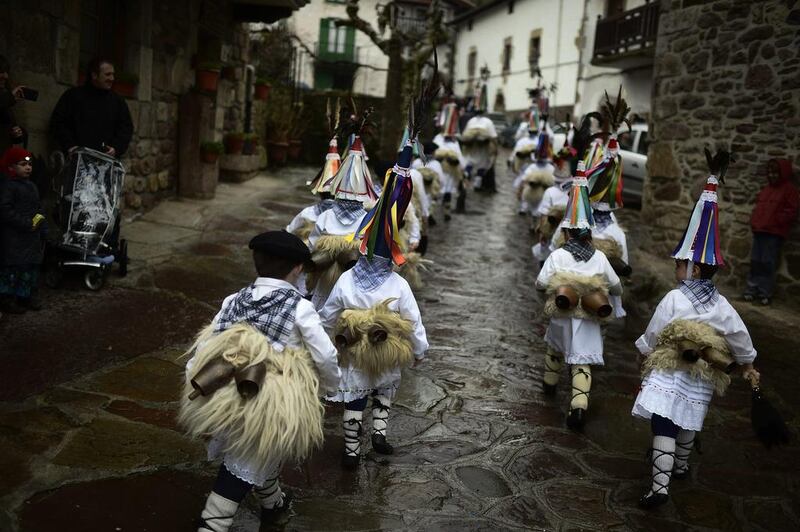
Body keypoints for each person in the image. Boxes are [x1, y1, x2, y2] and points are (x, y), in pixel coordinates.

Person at [181, 230, 341, 532]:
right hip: (269, 403)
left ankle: (275, 505)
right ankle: (212, 524)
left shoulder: (233, 300)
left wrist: (196, 379)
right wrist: (330, 386)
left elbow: (207, 345)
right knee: (246, 460)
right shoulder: (300, 308)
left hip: (225, 396)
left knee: (259, 453)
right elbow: (324, 355)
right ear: (296, 269)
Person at [632, 150, 759, 509]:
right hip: (701, 377)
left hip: (670, 372)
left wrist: (644, 350)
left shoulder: (674, 299)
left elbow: (656, 333)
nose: (676, 264)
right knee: (688, 418)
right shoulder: (723, 306)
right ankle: (682, 466)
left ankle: (659, 488)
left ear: (696, 270)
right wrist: (748, 362)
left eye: (682, 261)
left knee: (664, 425)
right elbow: (740, 338)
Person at [319, 139, 428, 469]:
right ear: (391, 258)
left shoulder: (347, 279)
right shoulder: (398, 284)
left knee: (354, 397)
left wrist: (323, 338)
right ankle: (379, 432)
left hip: (353, 353)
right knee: (384, 388)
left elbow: (328, 314)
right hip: (385, 352)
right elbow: (413, 319)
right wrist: (420, 349)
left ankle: (352, 449)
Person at [535, 162, 622, 431]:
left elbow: (540, 283)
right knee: (582, 360)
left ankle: (549, 384)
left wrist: (548, 296)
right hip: (589, 321)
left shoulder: (558, 255)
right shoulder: (599, 258)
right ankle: (578, 408)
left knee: (556, 348)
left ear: (568, 231)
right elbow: (617, 285)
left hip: (562, 317)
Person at [307, 134, 376, 310]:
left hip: (324, 277)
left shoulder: (326, 216)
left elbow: (312, 245)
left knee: (321, 308)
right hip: (352, 280)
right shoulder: (367, 220)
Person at [50, 57, 133, 158]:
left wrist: (116, 148)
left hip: (106, 161)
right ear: (94, 75)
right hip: (76, 159)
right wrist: (70, 146)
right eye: (107, 74)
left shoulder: (117, 101)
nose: (112, 79)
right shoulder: (73, 96)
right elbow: (58, 122)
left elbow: (125, 128)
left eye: (113, 74)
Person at [743, 158, 799, 305]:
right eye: (770, 172)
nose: (772, 175)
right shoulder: (766, 189)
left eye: (775, 172)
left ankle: (764, 292)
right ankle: (751, 289)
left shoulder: (789, 190)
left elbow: (791, 212)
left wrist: (775, 222)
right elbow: (759, 208)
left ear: (783, 173)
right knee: (756, 261)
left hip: (773, 233)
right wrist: (755, 222)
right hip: (760, 230)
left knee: (768, 263)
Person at [0, 147, 46, 313]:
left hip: (31, 237)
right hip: (14, 237)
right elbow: (5, 210)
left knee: (29, 268)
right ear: (11, 168)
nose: (28, 167)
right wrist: (26, 223)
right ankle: (7, 299)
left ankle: (25, 296)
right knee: (13, 269)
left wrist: (40, 220)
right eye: (22, 164)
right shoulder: (8, 187)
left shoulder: (32, 186)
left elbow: (38, 206)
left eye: (29, 164)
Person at [0, 55, 27, 153]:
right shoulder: (6, 99)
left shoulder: (5, 98)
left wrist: (18, 133)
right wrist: (10, 98)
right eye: (1, 72)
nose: (5, 76)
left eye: (6, 72)